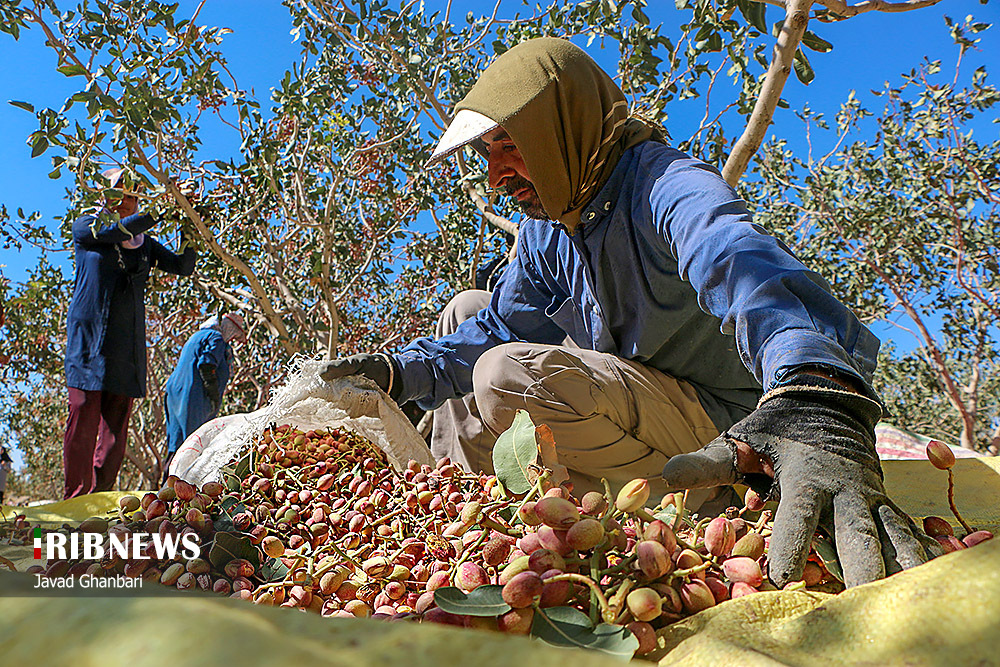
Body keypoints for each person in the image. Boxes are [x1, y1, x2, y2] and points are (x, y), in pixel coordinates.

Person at [320, 38, 935, 588]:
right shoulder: (549, 229)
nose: (497, 174)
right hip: (639, 409)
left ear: (563, 127)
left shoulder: (666, 186)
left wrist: (817, 396)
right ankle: (456, 519)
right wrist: (397, 375)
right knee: (469, 311)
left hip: (726, 434)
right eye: (488, 153)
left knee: (504, 375)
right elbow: (499, 326)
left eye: (511, 146)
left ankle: (699, 504)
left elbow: (743, 266)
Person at [63, 167, 197, 499]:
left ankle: (98, 500)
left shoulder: (145, 244)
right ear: (105, 195)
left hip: (125, 347)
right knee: (82, 423)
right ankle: (74, 499)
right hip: (89, 342)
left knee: (115, 432)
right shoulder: (88, 227)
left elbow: (183, 266)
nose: (128, 200)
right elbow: (114, 230)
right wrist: (161, 209)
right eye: (121, 192)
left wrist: (188, 220)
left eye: (134, 194)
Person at [163, 312, 247, 471]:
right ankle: (185, 489)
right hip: (194, 395)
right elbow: (207, 366)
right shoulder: (216, 338)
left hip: (174, 393)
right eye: (234, 333)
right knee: (193, 444)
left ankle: (165, 487)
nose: (233, 338)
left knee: (177, 444)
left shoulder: (197, 336)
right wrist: (214, 396)